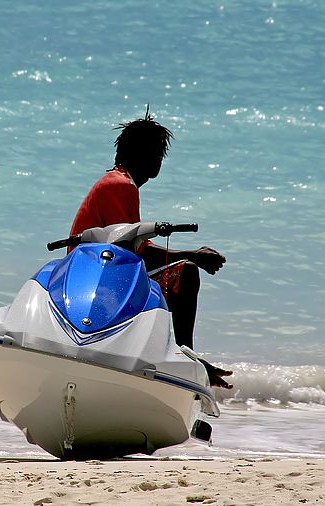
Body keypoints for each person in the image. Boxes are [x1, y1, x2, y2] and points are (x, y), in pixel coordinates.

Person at [69, 110, 233, 389]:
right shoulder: (120, 185)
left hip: (102, 274)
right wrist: (191, 255)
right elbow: (133, 252)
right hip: (95, 279)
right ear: (136, 153)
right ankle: (184, 357)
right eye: (155, 151)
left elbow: (134, 246)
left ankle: (174, 357)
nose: (159, 158)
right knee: (187, 273)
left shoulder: (120, 183)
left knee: (178, 272)